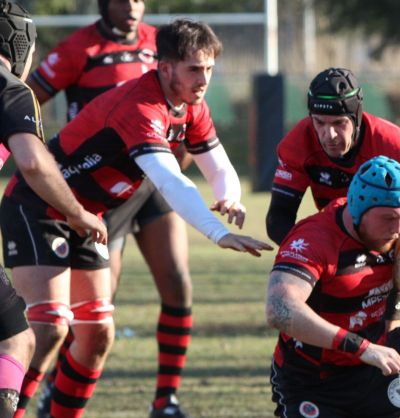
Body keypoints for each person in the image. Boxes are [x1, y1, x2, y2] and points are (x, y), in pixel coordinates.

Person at [1, 19, 272, 418]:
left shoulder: (190, 105)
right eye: (194, 69)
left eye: (209, 69)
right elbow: (170, 181)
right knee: (51, 325)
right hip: (37, 204)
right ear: (165, 68)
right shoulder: (140, 107)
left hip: (88, 216)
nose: (204, 80)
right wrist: (217, 233)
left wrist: (228, 196)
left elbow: (216, 165)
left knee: (96, 335)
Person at [26, 2, 201, 416]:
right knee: (96, 305)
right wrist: (43, 152)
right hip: (104, 188)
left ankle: (166, 400)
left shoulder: (161, 45)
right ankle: (55, 387)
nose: (133, 7)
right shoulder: (78, 48)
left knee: (177, 283)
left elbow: (188, 113)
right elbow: (27, 98)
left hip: (153, 182)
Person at [266, 155, 400, 417]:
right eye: (388, 218)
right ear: (358, 208)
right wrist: (361, 347)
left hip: (372, 369)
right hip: (311, 379)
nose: (398, 228)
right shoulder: (315, 239)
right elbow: (279, 309)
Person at [266, 67, 400, 297]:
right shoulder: (298, 143)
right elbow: (278, 218)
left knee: (391, 326)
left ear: (356, 117)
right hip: (340, 239)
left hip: (395, 243)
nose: (328, 135)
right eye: (319, 122)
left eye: (339, 123)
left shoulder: (392, 144)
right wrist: (315, 255)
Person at [0, 2, 107, 417]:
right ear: (19, 40)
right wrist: (77, 213)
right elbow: (32, 161)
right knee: (16, 341)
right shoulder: (9, 87)